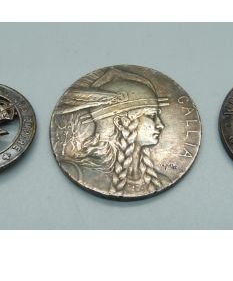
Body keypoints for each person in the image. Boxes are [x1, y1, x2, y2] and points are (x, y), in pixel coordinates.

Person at [55, 67, 170, 196]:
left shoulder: (160, 181)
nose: (161, 125)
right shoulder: (77, 172)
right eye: (152, 116)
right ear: (121, 123)